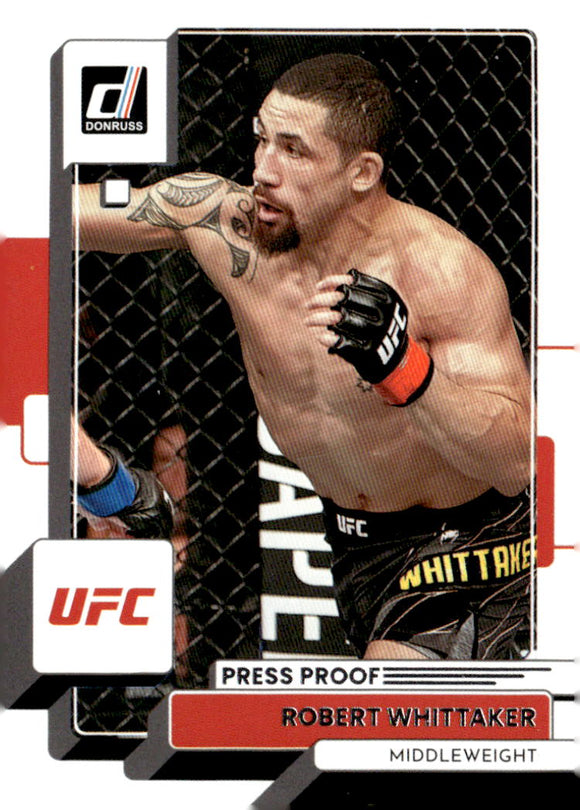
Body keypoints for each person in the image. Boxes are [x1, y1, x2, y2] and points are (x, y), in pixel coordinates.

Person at [75, 53, 531, 660]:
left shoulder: (440, 271)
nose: (263, 169)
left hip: (471, 540)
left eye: (294, 150)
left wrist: (404, 369)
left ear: (362, 172)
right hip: (353, 543)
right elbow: (58, 214)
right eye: (261, 138)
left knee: (390, 703)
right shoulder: (222, 225)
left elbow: (516, 463)